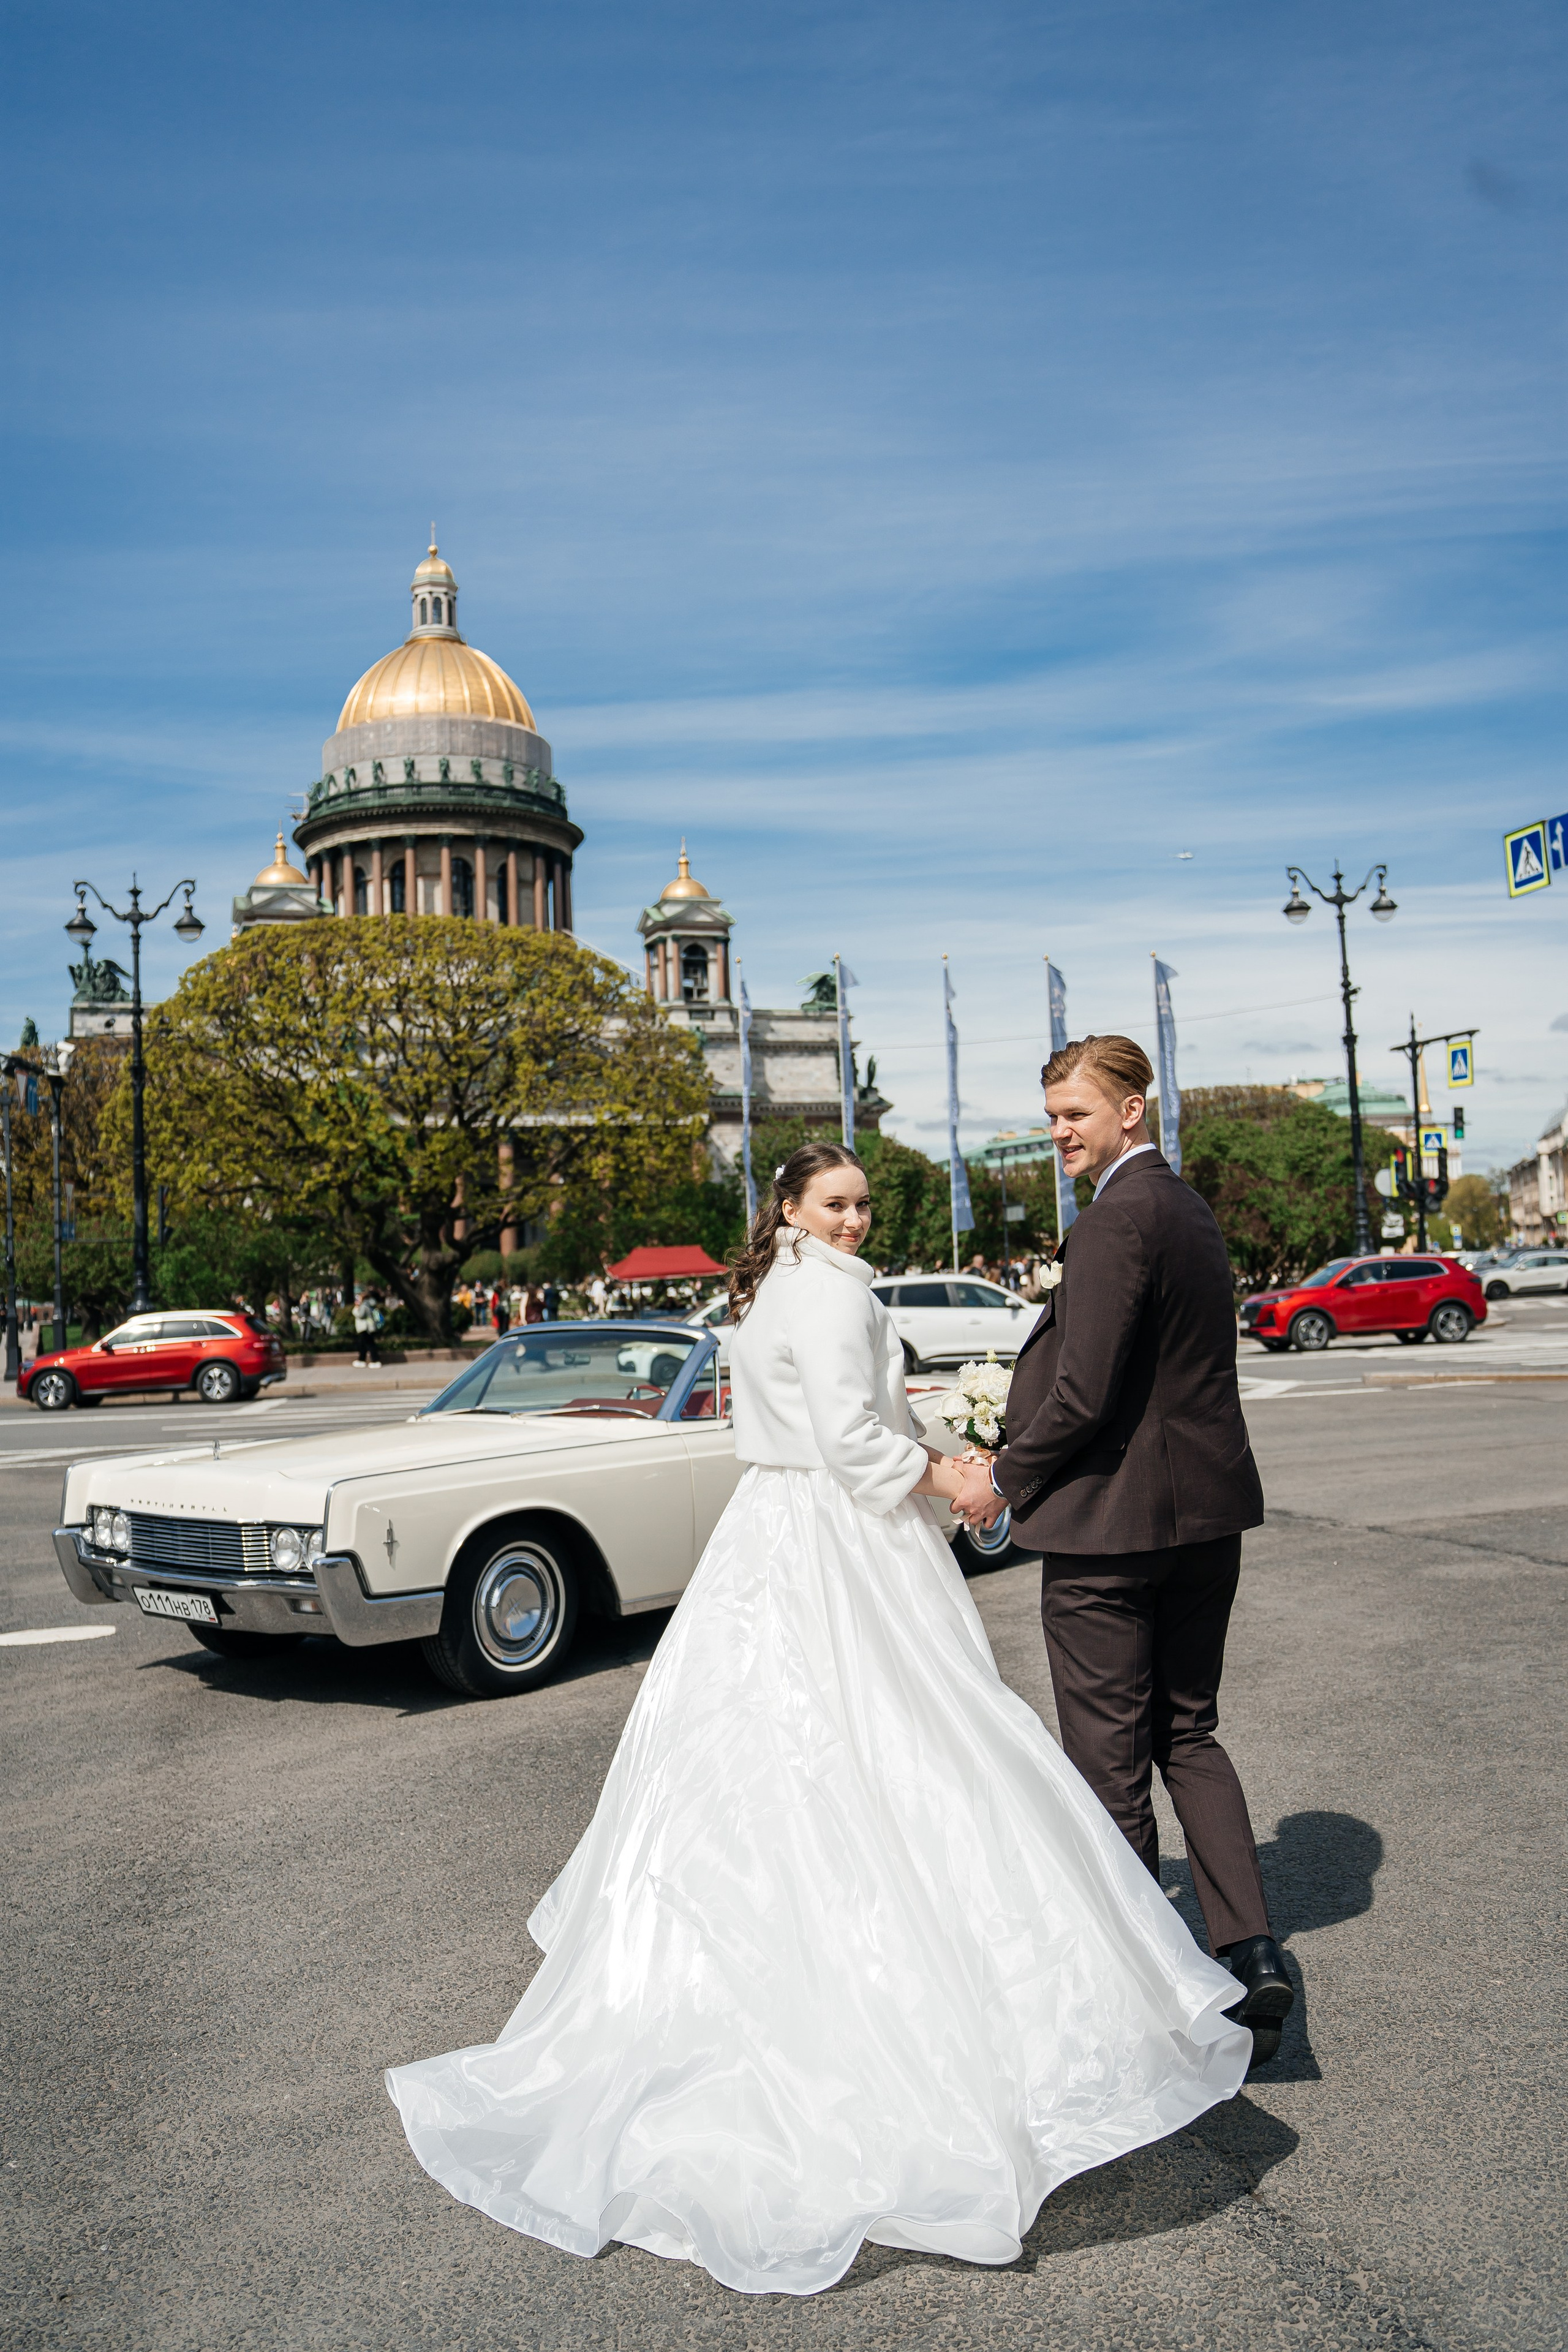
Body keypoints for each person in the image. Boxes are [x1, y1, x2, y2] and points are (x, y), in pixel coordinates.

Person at [386, 1139, 1250, 2297]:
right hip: (843, 1536)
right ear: (790, 1205)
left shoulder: (770, 1290)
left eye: (862, 1203)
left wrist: (925, 1434)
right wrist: (947, 1472)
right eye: (836, 1203)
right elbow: (852, 1441)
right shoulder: (836, 1293)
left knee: (780, 1760)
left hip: (771, 1533)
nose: (857, 1220)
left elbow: (828, 1418)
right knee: (912, 1742)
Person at [951, 1035, 1292, 2060]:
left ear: (1132, 1110)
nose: (1058, 1131)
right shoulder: (1188, 1211)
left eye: (1075, 1113)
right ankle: (1254, 1951)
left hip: (1111, 1535)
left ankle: (1154, 1992)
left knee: (1108, 1768)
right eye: (1051, 1114)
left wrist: (1002, 1475)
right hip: (1206, 1523)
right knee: (1190, 1734)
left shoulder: (1111, 1222)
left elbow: (1084, 1390)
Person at [352, 1290, 382, 1367]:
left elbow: (361, 1315)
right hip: (369, 1327)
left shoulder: (364, 1305)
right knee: (363, 1345)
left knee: (370, 1344)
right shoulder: (370, 1304)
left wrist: (355, 1310)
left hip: (366, 1328)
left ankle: (375, 1360)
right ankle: (361, 1360)